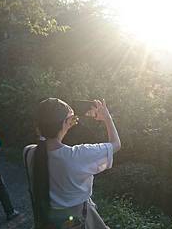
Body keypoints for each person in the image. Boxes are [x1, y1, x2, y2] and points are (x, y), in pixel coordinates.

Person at [23, 98, 121, 229]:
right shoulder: (77, 156)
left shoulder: (28, 152)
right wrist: (107, 118)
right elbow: (116, 145)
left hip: (47, 221)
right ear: (67, 123)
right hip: (78, 221)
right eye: (72, 118)